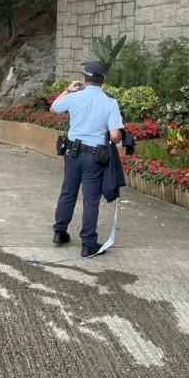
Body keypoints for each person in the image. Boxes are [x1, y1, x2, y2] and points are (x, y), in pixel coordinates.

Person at [49, 61, 124, 258]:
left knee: (68, 192)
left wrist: (68, 90)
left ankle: (59, 232)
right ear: (103, 80)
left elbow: (54, 108)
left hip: (72, 153)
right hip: (95, 157)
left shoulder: (74, 96)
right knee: (91, 200)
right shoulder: (110, 102)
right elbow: (115, 135)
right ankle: (88, 244)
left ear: (83, 80)